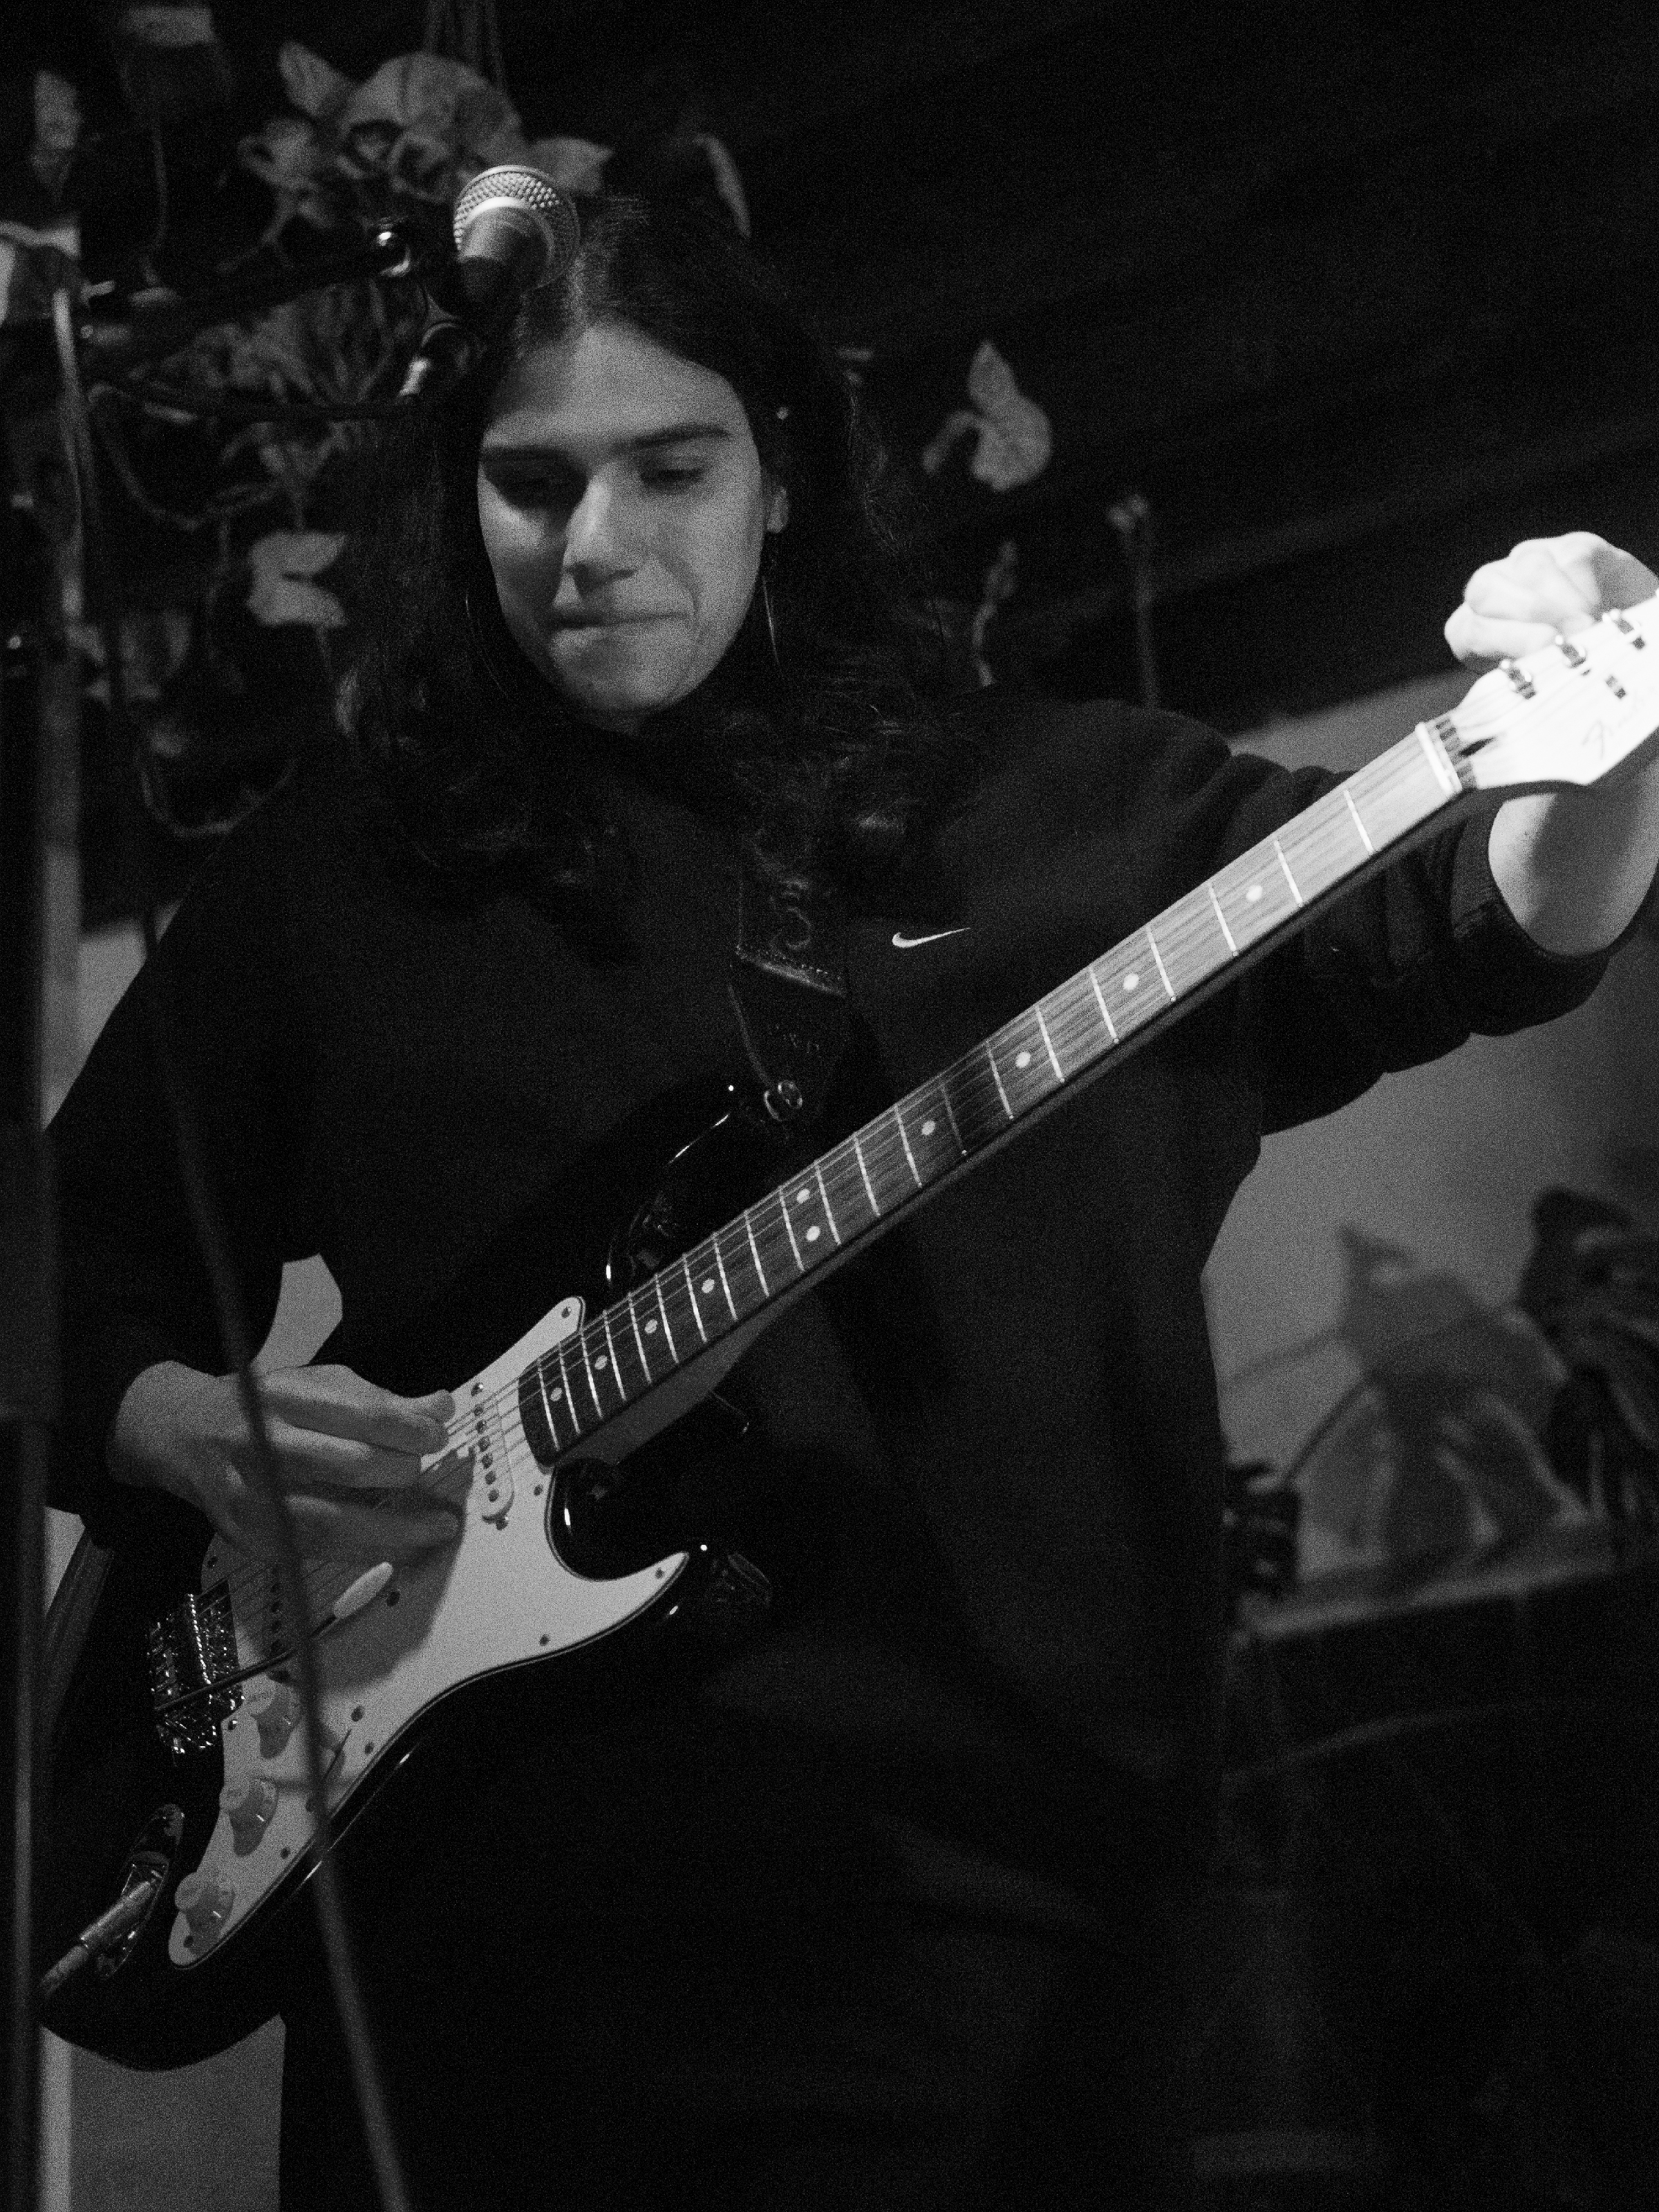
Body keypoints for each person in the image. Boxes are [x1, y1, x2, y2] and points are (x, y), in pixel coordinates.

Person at [47, 192, 1659, 2211]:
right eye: (529, 485)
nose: (600, 542)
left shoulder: (1080, 814)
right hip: (478, 1948)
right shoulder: (341, 884)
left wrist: (1609, 743)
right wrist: (171, 1420)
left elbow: (1482, 928)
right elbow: (63, 1255)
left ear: (785, 473)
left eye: (672, 468)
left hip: (999, 1943)